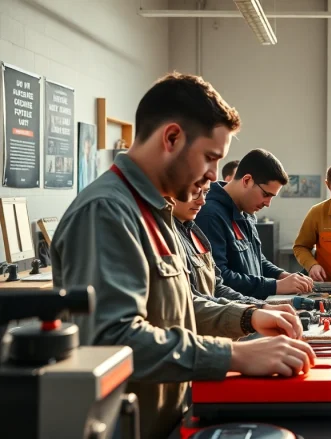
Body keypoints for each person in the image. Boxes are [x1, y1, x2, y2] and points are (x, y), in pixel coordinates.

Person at [51, 73, 315, 439]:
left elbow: (179, 305)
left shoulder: (157, 213)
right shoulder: (107, 211)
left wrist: (246, 317)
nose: (213, 175)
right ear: (171, 138)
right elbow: (114, 339)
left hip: (169, 420)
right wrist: (233, 357)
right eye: (210, 158)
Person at [197, 149, 314, 299]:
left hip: (254, 307)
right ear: (246, 180)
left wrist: (282, 276)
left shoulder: (247, 213)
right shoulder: (210, 215)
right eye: (266, 195)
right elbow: (219, 278)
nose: (268, 203)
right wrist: (275, 286)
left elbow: (258, 260)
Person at [172, 180, 297, 315]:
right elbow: (193, 302)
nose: (202, 201)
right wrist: (255, 311)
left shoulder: (193, 230)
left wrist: (259, 308)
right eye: (195, 192)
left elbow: (217, 287)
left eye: (205, 192)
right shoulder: (209, 216)